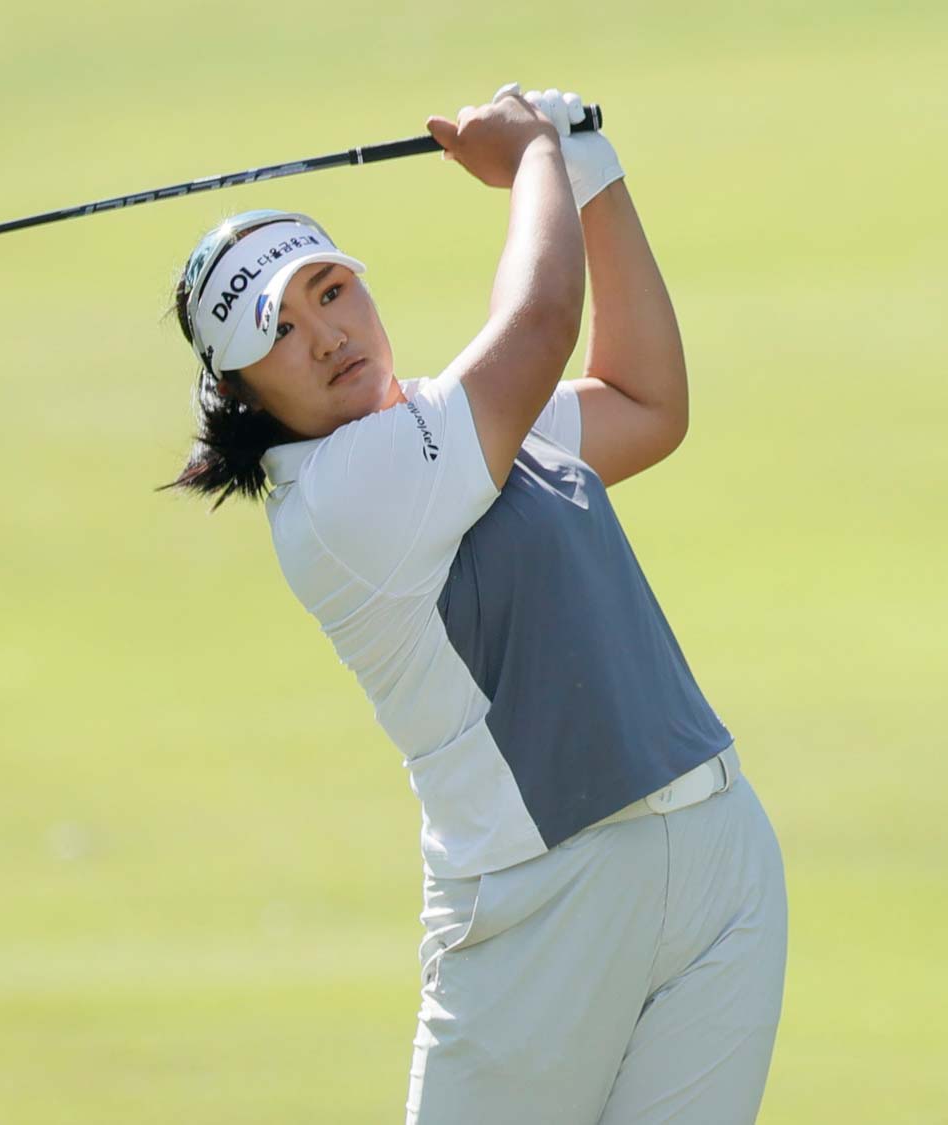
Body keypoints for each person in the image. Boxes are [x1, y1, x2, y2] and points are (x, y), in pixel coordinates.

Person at [160, 86, 790, 1123]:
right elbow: (540, 321)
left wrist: (592, 175)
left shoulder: (461, 429)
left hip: (716, 859)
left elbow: (644, 403)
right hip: (536, 910)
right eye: (277, 329)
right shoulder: (335, 499)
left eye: (328, 290)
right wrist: (532, 156)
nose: (324, 334)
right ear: (242, 397)